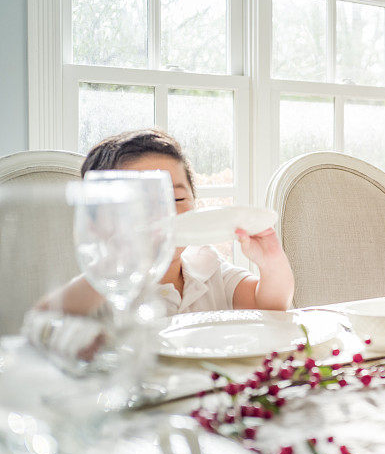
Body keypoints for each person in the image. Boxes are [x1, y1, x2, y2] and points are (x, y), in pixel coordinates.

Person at [37, 128, 294, 316]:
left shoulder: (207, 265)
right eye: (137, 202)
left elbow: (268, 305)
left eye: (178, 197)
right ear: (95, 222)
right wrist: (118, 268)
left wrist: (271, 261)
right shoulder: (105, 287)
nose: (162, 214)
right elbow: (44, 319)